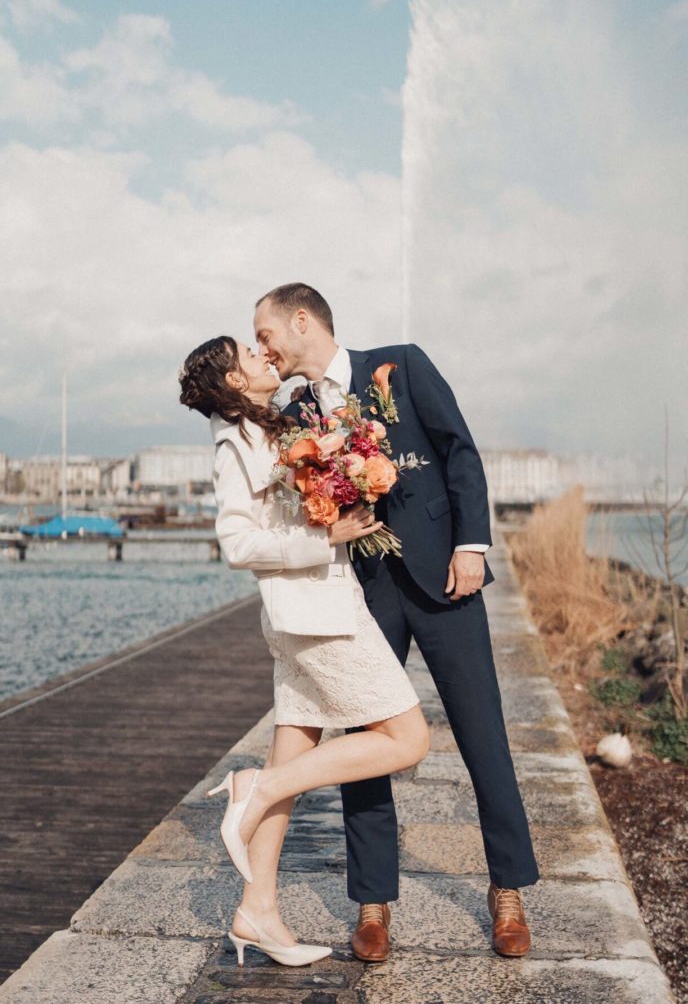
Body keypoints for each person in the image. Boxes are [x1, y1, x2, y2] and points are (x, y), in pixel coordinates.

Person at [253, 282, 539, 961]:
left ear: (302, 321)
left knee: (483, 735)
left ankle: (507, 891)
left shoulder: (401, 366)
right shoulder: (294, 412)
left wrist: (473, 544)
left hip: (446, 579)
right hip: (365, 590)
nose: (262, 344)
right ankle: (372, 902)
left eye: (266, 332)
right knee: (367, 742)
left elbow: (459, 451)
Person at [179, 335, 430, 968]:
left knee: (297, 747)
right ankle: (253, 786)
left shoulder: (267, 426)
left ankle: (257, 911)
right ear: (235, 381)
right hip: (317, 615)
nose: (266, 357)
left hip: (306, 611)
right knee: (408, 739)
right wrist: (327, 540)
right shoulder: (234, 443)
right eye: (251, 353)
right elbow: (238, 542)